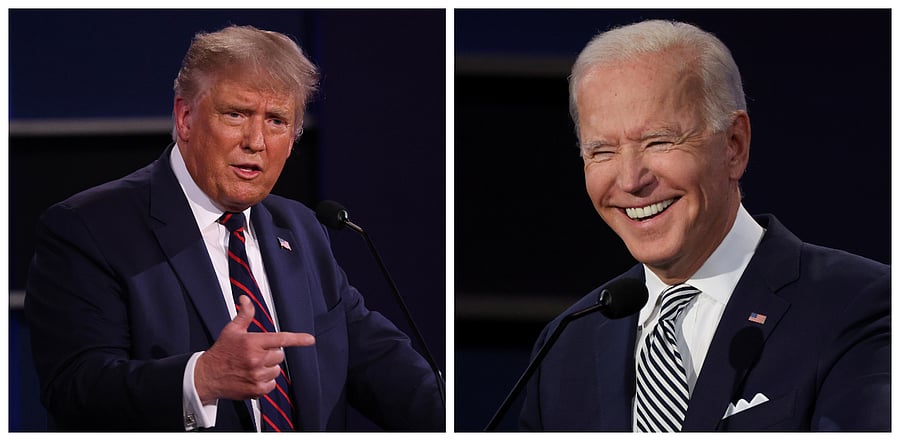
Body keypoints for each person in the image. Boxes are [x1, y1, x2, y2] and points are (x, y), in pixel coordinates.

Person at [24, 25, 443, 432]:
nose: (256, 140)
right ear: (185, 117)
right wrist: (201, 378)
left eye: (277, 120)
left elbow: (377, 361)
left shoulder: (300, 228)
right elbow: (74, 389)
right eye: (236, 114)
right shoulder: (88, 228)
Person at [519, 20, 889, 432]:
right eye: (602, 151)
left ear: (734, 145)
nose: (629, 181)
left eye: (658, 142)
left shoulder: (860, 305)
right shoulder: (565, 346)